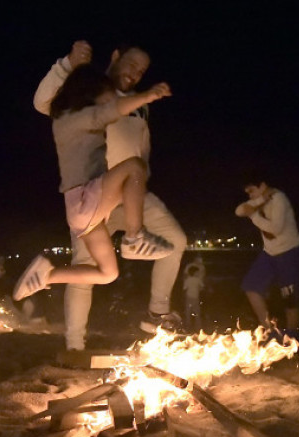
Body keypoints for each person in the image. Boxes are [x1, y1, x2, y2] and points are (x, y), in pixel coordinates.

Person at [34, 41, 187, 350]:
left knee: (176, 241)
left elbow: (141, 148)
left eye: (142, 71)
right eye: (131, 64)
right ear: (115, 57)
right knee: (87, 267)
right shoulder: (87, 94)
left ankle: (157, 311)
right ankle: (74, 345)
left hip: (132, 193)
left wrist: (143, 178)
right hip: (96, 194)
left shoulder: (139, 107)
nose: (135, 73)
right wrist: (66, 64)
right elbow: (43, 102)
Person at [14, 65, 175, 304]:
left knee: (108, 273)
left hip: (82, 212)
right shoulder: (79, 117)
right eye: (108, 95)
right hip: (84, 200)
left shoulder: (65, 119)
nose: (112, 99)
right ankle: (135, 237)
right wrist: (147, 96)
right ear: (91, 93)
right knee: (135, 167)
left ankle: (47, 276)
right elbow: (113, 111)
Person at [235, 171, 299, 339]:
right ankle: (268, 332)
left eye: (252, 191)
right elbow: (238, 211)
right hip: (269, 253)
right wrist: (260, 200)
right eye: (248, 193)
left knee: (289, 297)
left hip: (289, 251)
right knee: (251, 286)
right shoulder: (261, 200)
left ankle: (292, 338)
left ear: (262, 186)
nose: (250, 195)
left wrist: (253, 214)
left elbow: (275, 228)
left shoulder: (279, 198)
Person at [182, 264, 205, 332]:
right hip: (195, 298)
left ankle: (187, 327)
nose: (198, 273)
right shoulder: (198, 280)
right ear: (194, 273)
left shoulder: (188, 279)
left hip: (189, 297)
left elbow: (184, 288)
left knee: (188, 312)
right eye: (197, 272)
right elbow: (202, 287)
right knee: (197, 312)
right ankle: (198, 327)